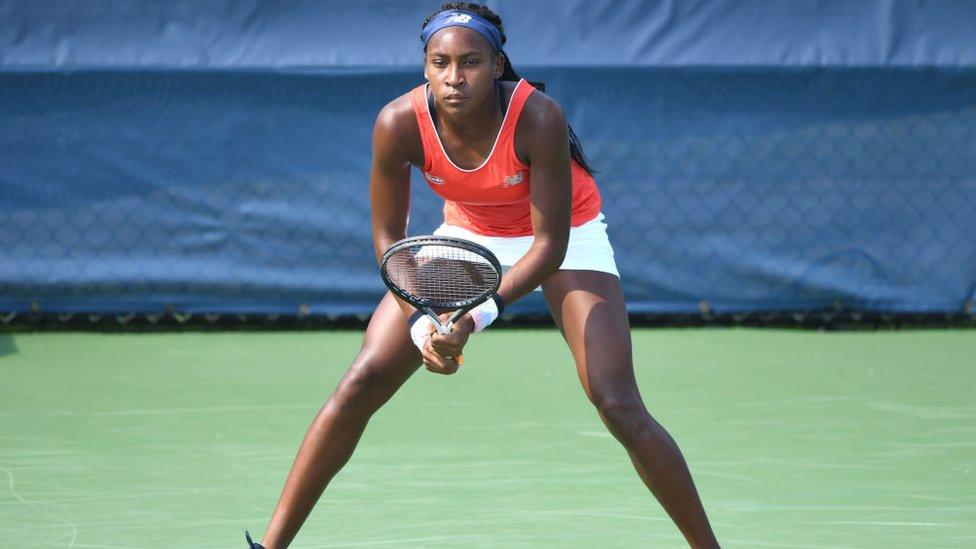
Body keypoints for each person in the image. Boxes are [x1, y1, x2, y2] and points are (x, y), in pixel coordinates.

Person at [247, 3, 719, 547]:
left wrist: (473, 317)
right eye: (439, 62)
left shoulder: (539, 116)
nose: (454, 78)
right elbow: (390, 243)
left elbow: (549, 246)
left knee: (614, 399)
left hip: (565, 235)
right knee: (361, 381)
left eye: (470, 62)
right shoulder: (397, 123)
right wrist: (421, 320)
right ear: (424, 66)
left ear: (496, 65)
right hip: (468, 233)